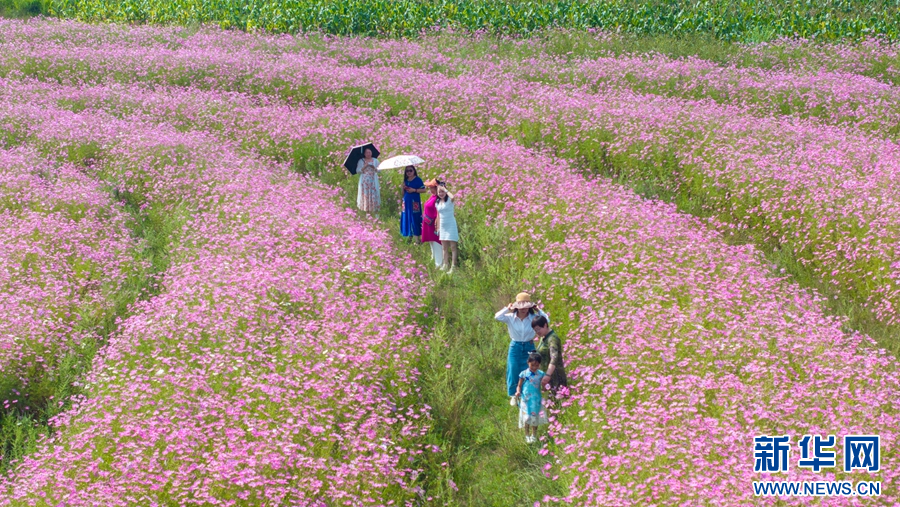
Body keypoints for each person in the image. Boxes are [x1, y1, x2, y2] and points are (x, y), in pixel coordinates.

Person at [495, 292, 549, 406]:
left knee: (530, 369)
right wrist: (507, 308)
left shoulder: (533, 318)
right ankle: (513, 395)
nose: (523, 309)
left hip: (529, 345)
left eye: (526, 306)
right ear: (516, 307)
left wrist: (538, 310)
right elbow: (497, 316)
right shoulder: (510, 317)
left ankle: (527, 393)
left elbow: (546, 320)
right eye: (520, 307)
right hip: (515, 345)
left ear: (530, 307)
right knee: (513, 368)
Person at [515, 352, 548, 444]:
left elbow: (544, 385)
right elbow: (519, 385)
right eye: (532, 365)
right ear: (528, 363)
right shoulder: (524, 374)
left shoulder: (541, 374)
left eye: (536, 365)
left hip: (536, 400)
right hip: (526, 400)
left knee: (534, 417)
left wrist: (545, 388)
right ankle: (527, 435)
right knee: (526, 417)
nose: (534, 367)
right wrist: (518, 391)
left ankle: (534, 435)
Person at [532, 316, 568, 395]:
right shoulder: (543, 337)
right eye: (535, 330)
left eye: (538, 329)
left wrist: (548, 375)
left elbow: (554, 358)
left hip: (555, 376)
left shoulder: (552, 339)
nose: (537, 332)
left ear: (545, 325)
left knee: (557, 399)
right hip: (546, 376)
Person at [434, 183, 459, 273]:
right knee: (444, 247)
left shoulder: (449, 200)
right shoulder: (437, 203)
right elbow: (438, 216)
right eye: (439, 192)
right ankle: (445, 264)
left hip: (451, 225)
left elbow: (452, 197)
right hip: (443, 226)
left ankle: (453, 266)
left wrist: (445, 190)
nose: (441, 193)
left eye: (442, 191)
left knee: (453, 246)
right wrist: (438, 227)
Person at [422, 179, 443, 267]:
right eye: (429, 187)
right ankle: (433, 259)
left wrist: (437, 224)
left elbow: (439, 212)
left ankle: (439, 263)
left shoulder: (439, 199)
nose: (430, 189)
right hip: (428, 223)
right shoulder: (433, 196)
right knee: (431, 241)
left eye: (431, 187)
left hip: (434, 223)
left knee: (436, 242)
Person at [400, 166, 425, 240]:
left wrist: (414, 190)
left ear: (414, 171)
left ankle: (417, 238)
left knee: (415, 218)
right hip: (406, 202)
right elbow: (403, 194)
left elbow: (424, 190)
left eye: (410, 170)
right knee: (406, 217)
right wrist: (403, 188)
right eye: (407, 171)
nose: (409, 172)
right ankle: (409, 236)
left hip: (414, 202)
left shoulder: (418, 180)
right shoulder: (405, 181)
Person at [356, 148, 380, 213]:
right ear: (364, 154)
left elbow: (379, 170)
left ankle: (375, 210)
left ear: (371, 153)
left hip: (373, 180)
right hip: (364, 182)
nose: (368, 154)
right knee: (365, 195)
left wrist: (374, 167)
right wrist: (365, 166)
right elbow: (358, 171)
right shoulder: (361, 161)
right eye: (367, 152)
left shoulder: (375, 160)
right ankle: (367, 211)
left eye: (369, 152)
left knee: (374, 194)